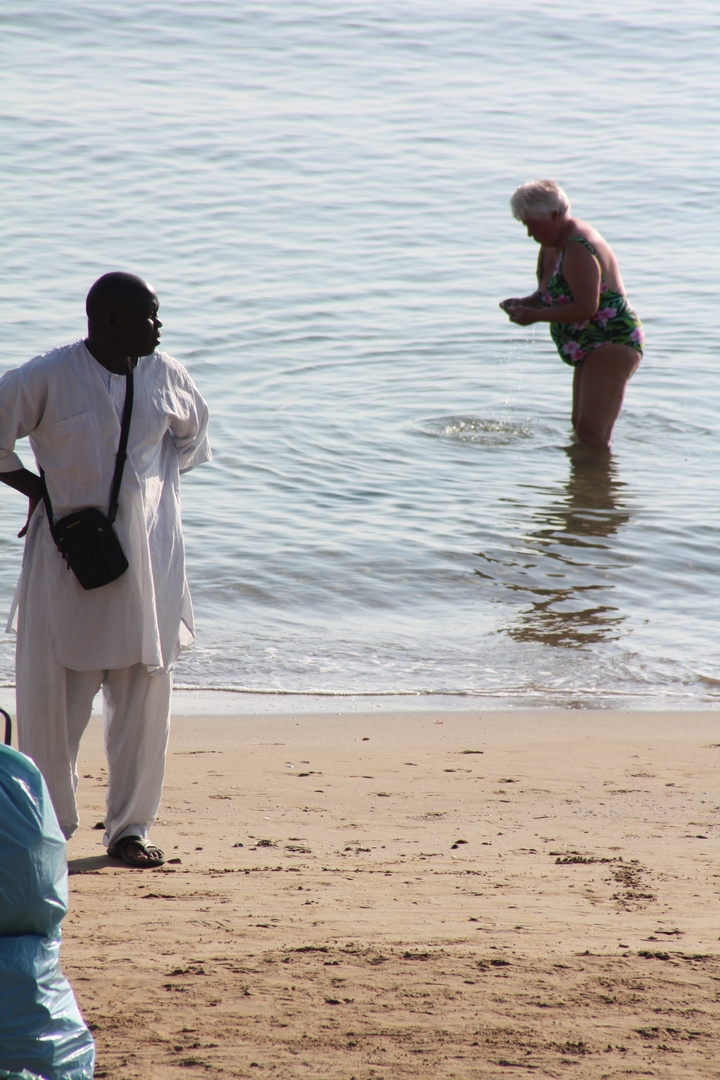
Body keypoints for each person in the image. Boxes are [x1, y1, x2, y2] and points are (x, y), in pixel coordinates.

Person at [0, 272, 211, 867]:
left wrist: (144, 499)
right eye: (150, 316)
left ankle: (128, 830)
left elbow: (192, 441)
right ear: (109, 322)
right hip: (68, 561)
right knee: (52, 704)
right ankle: (47, 829)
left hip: (148, 569)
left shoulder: (167, 373)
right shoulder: (47, 376)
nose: (161, 327)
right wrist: (38, 490)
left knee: (143, 702)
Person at [500, 179, 644, 450]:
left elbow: (586, 307)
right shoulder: (551, 244)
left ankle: (601, 488)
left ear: (555, 216)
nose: (529, 233)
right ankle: (587, 491)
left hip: (610, 341)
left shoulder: (577, 246)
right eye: (525, 225)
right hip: (589, 346)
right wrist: (524, 304)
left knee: (593, 436)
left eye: (533, 225)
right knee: (580, 428)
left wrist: (535, 317)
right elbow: (548, 296)